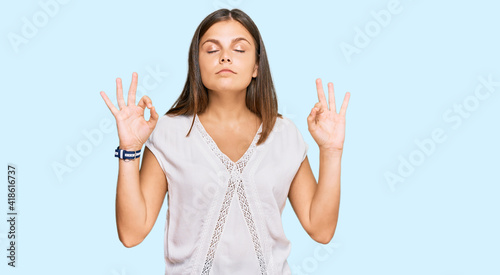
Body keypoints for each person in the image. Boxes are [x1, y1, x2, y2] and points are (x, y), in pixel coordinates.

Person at [100, 8, 350, 275]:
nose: (225, 56)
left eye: (239, 49)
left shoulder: (284, 134)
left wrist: (331, 151)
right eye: (211, 50)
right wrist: (129, 150)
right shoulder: (168, 132)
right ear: (197, 64)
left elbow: (321, 230)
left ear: (256, 66)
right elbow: (131, 234)